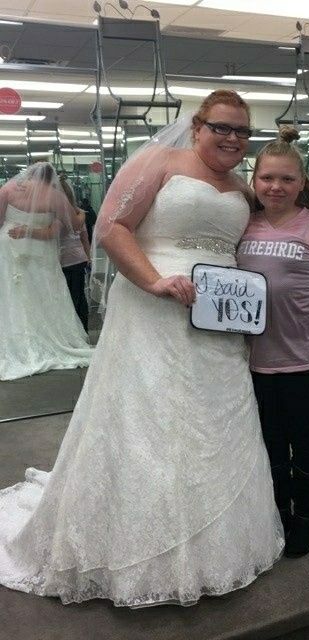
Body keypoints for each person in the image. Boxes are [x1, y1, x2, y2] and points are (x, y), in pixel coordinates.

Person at [0, 91, 287, 608]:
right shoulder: (161, 160)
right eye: (221, 127)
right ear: (197, 126)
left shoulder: (242, 186)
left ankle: (215, 544)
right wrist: (154, 281)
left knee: (214, 421)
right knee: (150, 420)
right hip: (153, 307)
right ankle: (138, 549)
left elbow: (278, 219)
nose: (232, 139)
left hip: (217, 318)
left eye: (242, 132)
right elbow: (112, 227)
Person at [237, 127, 309, 558]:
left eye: (287, 179)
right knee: (269, 440)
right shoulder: (242, 223)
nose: (276, 186)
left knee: (303, 436)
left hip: (304, 357)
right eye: (267, 177)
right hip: (252, 358)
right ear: (253, 179)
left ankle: (305, 513)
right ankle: (279, 510)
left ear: (302, 182)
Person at [0, 162, 92, 381]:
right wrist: (81, 214)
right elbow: (75, 225)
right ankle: (47, 337)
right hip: (40, 251)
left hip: (8, 246)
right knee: (42, 293)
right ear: (51, 179)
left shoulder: (8, 189)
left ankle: (14, 339)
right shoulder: (55, 196)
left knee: (12, 294)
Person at [59, 175, 91, 333]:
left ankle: (77, 331)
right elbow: (84, 239)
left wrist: (88, 258)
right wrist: (88, 258)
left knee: (70, 299)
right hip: (76, 259)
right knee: (78, 297)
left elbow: (84, 238)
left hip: (66, 261)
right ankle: (82, 331)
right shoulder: (77, 213)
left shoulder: (57, 214)